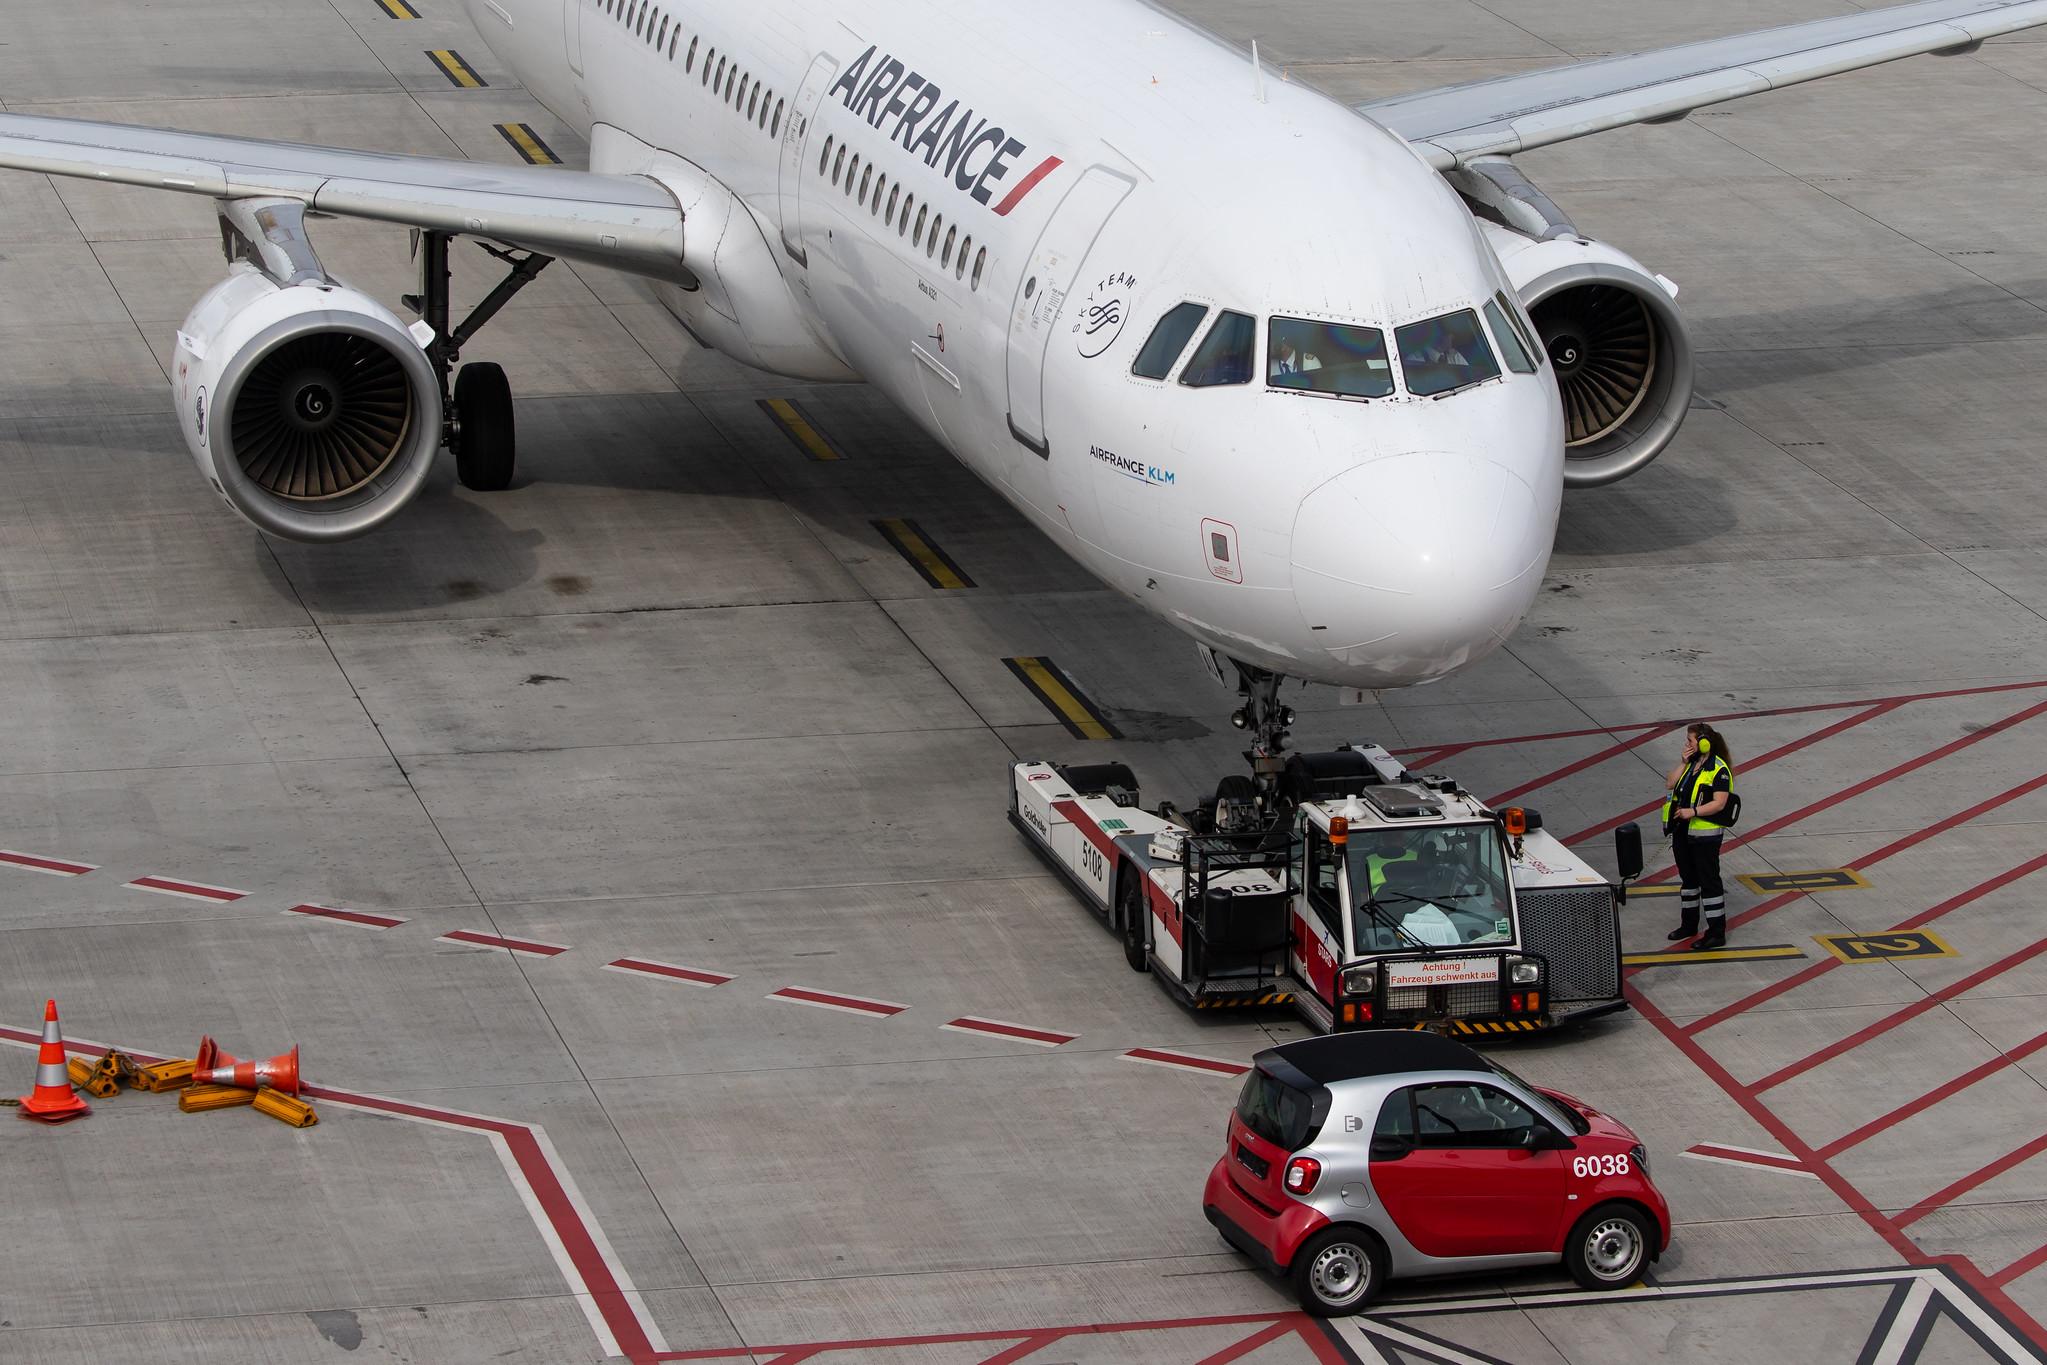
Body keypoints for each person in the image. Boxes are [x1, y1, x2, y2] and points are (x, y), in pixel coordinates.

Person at [1662, 723, 1735, 949]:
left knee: (1709, 882)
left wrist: (1692, 812)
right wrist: (1683, 762)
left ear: (1703, 743)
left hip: (1705, 835)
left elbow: (1719, 803)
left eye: (1690, 740)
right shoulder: (1692, 764)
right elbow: (1670, 783)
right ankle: (1689, 925)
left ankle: (1716, 932)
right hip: (1682, 831)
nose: (1687, 744)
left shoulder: (1718, 769)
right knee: (1688, 881)